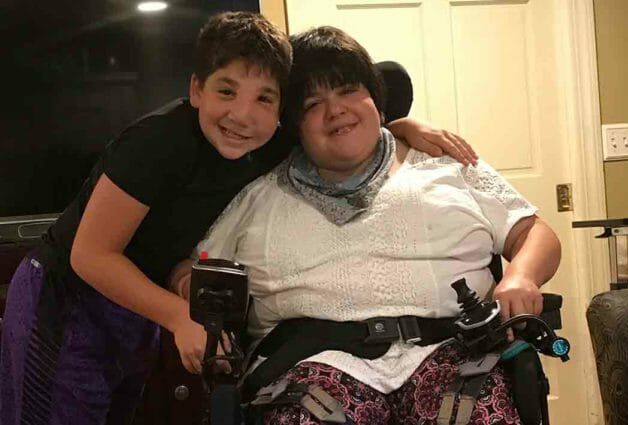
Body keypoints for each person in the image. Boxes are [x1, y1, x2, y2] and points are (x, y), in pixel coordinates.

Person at [0, 11, 476, 425]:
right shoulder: (155, 145)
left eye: (264, 99)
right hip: (67, 297)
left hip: (136, 303)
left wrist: (401, 127)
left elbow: (349, 121)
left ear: (281, 111)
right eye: (226, 91)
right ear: (196, 89)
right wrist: (178, 316)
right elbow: (90, 255)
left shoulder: (269, 143)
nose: (242, 115)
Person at [185, 26, 562, 424]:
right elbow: (194, 271)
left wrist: (522, 277)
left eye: (348, 90)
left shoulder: (448, 165)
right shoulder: (258, 199)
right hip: (313, 367)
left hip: (456, 356)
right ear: (294, 126)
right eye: (313, 103)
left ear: (377, 103)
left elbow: (532, 231)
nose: (336, 110)